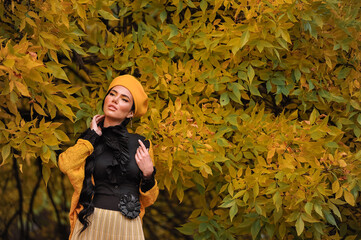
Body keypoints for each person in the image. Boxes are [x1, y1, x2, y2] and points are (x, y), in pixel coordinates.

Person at [58, 75, 159, 240]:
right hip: (91, 222)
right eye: (112, 94)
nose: (115, 100)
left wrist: (149, 174)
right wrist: (91, 137)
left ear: (131, 113)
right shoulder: (89, 141)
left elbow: (149, 199)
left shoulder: (142, 144)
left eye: (124, 99)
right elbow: (65, 164)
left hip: (127, 227)